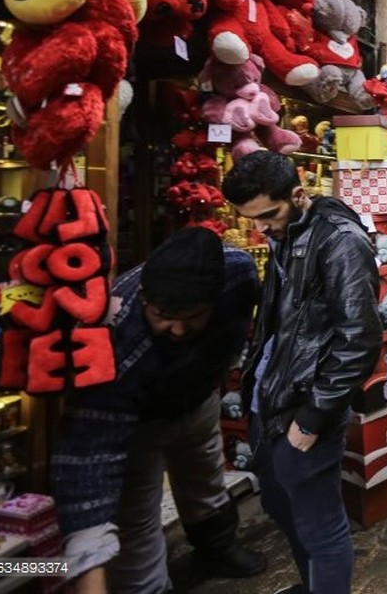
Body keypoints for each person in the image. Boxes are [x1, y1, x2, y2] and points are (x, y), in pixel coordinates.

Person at [51, 227, 266, 594]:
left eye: (194, 316)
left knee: (206, 479)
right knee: (135, 517)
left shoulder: (239, 272)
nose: (178, 329)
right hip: (139, 426)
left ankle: (217, 549)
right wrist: (88, 568)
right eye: (164, 315)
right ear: (145, 296)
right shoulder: (115, 341)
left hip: (198, 398)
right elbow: (89, 460)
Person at [221, 151, 384, 594]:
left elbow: (361, 339)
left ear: (298, 194)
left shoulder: (339, 240)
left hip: (304, 408)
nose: (260, 228)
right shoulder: (287, 232)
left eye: (268, 215)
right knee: (279, 504)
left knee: (321, 525)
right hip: (271, 399)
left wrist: (312, 419)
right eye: (250, 219)